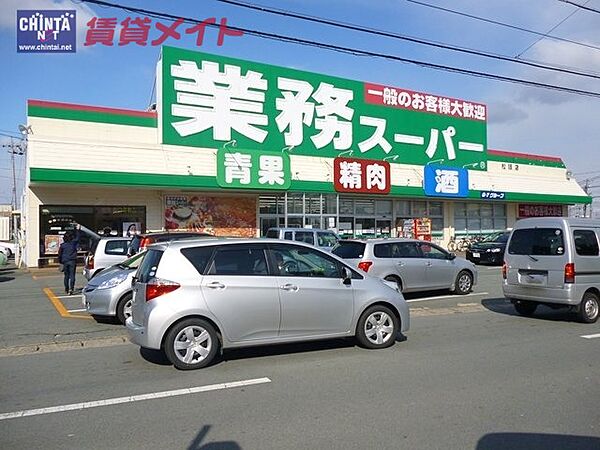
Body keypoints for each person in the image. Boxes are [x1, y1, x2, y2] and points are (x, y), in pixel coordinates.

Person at [58, 224, 80, 295]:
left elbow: (59, 254)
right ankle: (71, 289)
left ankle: (66, 289)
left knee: (66, 276)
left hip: (65, 261)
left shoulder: (62, 245)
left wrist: (60, 261)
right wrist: (77, 230)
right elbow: (78, 237)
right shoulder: (73, 243)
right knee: (72, 275)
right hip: (72, 261)